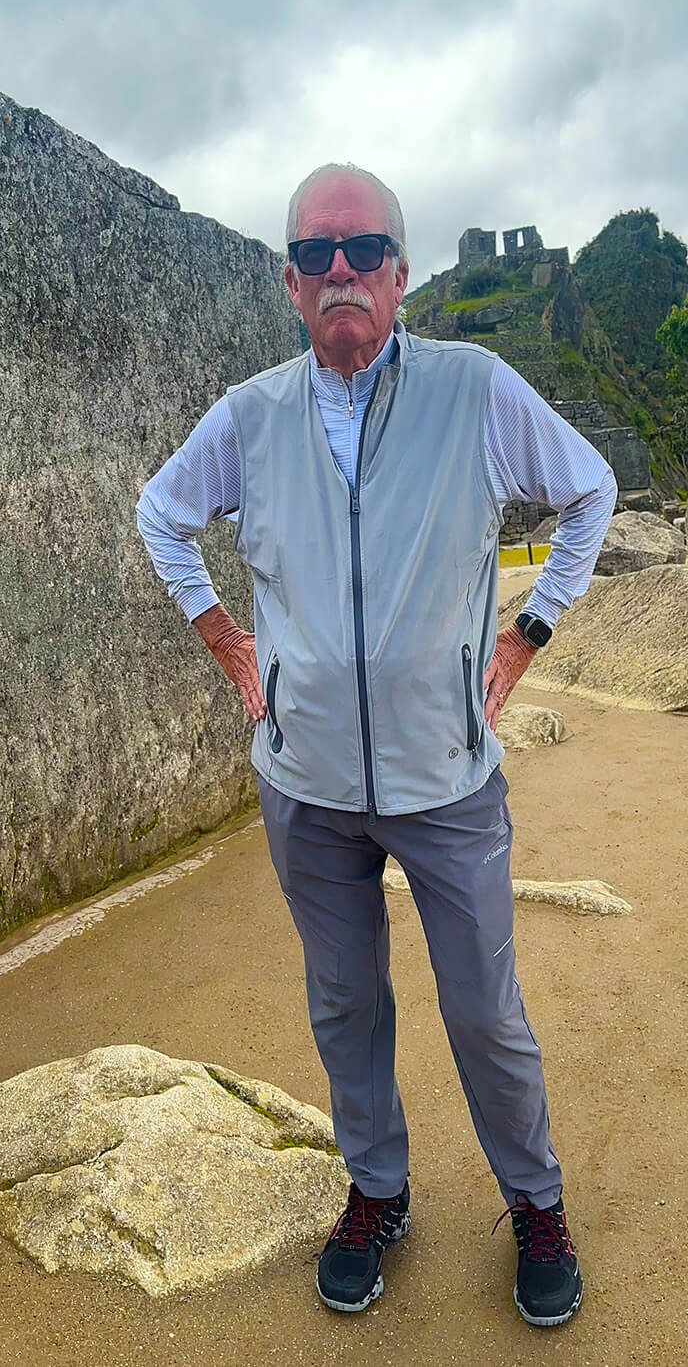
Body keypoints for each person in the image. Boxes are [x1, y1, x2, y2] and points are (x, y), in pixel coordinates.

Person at [136, 163, 615, 1326]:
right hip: (304, 783)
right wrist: (228, 643)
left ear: (402, 274)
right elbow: (162, 512)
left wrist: (526, 634)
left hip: (445, 777)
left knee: (483, 1008)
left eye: (364, 253)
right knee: (345, 1002)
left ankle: (534, 1200)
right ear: (290, 283)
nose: (340, 274)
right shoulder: (249, 416)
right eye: (317, 255)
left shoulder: (474, 390)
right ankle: (377, 1189)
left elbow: (587, 491)